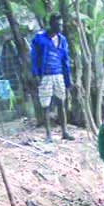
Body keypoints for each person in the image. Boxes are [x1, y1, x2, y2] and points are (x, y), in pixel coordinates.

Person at [31, 14, 74, 142]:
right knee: (46, 104)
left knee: (61, 102)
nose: (60, 27)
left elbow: (65, 60)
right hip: (45, 76)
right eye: (58, 24)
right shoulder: (39, 39)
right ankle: (48, 135)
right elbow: (34, 58)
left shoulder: (62, 40)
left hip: (59, 74)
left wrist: (68, 78)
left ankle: (64, 132)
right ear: (52, 24)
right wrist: (36, 74)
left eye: (61, 24)